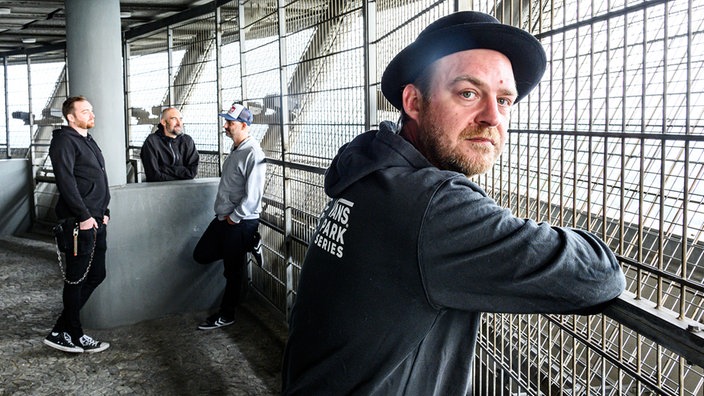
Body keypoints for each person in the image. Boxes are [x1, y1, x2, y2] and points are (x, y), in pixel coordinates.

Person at [281, 11, 626, 395]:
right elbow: (597, 274)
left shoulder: (370, 173)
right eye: (468, 93)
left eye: (505, 99)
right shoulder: (431, 205)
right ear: (413, 101)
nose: (493, 116)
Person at [44, 96, 111, 353]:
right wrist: (84, 216)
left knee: (97, 274)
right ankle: (73, 333)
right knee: (76, 279)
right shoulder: (63, 141)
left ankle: (62, 329)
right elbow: (66, 182)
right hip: (79, 222)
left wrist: (103, 211)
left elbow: (95, 179)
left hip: (95, 220)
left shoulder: (86, 139)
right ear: (71, 116)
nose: (91, 114)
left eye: (91, 110)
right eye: (85, 111)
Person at [192, 102, 266, 330]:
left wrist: (235, 218)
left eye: (230, 123)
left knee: (232, 272)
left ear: (244, 125)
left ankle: (227, 315)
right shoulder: (237, 148)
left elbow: (253, 195)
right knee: (201, 254)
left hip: (240, 221)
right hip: (226, 219)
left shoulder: (253, 153)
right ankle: (249, 244)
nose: (225, 126)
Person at [139, 107, 199, 182]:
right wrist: (182, 174)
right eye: (174, 119)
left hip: (184, 190)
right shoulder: (151, 142)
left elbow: (192, 173)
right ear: (163, 122)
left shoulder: (187, 141)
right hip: (158, 191)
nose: (179, 123)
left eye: (180, 119)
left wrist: (163, 169)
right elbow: (153, 176)